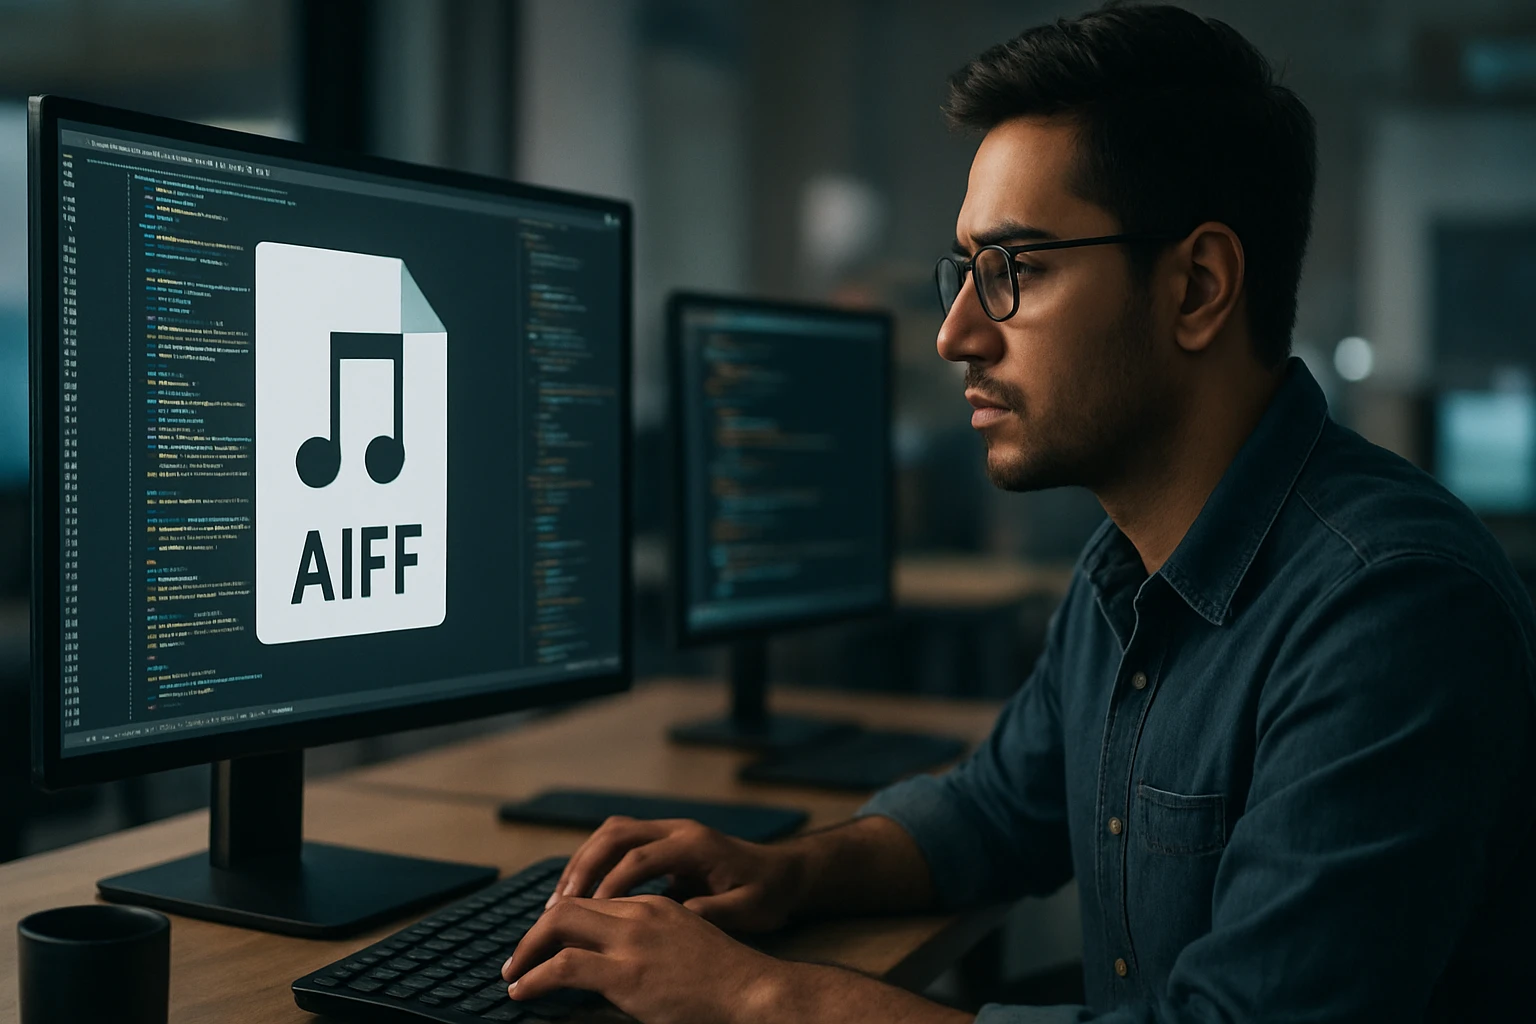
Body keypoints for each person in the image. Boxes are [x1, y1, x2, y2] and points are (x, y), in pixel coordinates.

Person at [500, 3, 1536, 1021]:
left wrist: (753, 993)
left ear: (1198, 287)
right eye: (966, 271)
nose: (956, 333)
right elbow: (993, 810)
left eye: (1015, 271)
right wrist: (786, 873)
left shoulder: (1389, 613)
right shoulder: (1125, 567)